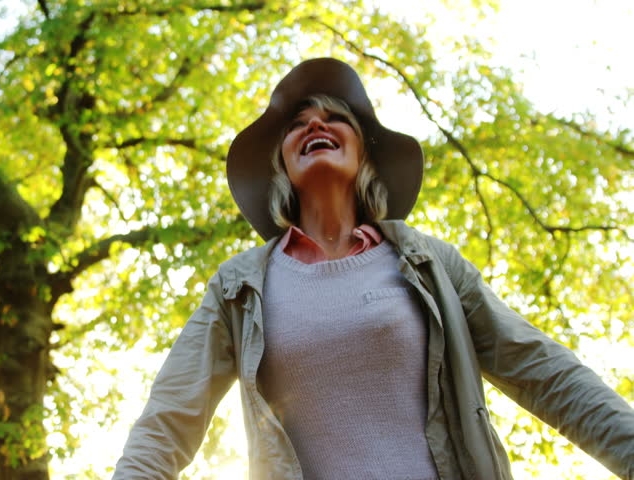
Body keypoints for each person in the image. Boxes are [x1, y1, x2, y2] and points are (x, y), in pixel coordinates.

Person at [112, 58, 634, 480]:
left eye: (335, 118)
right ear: (283, 168)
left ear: (363, 156)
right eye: (297, 125)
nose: (314, 124)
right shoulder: (238, 288)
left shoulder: (432, 264)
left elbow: (546, 373)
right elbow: (168, 421)